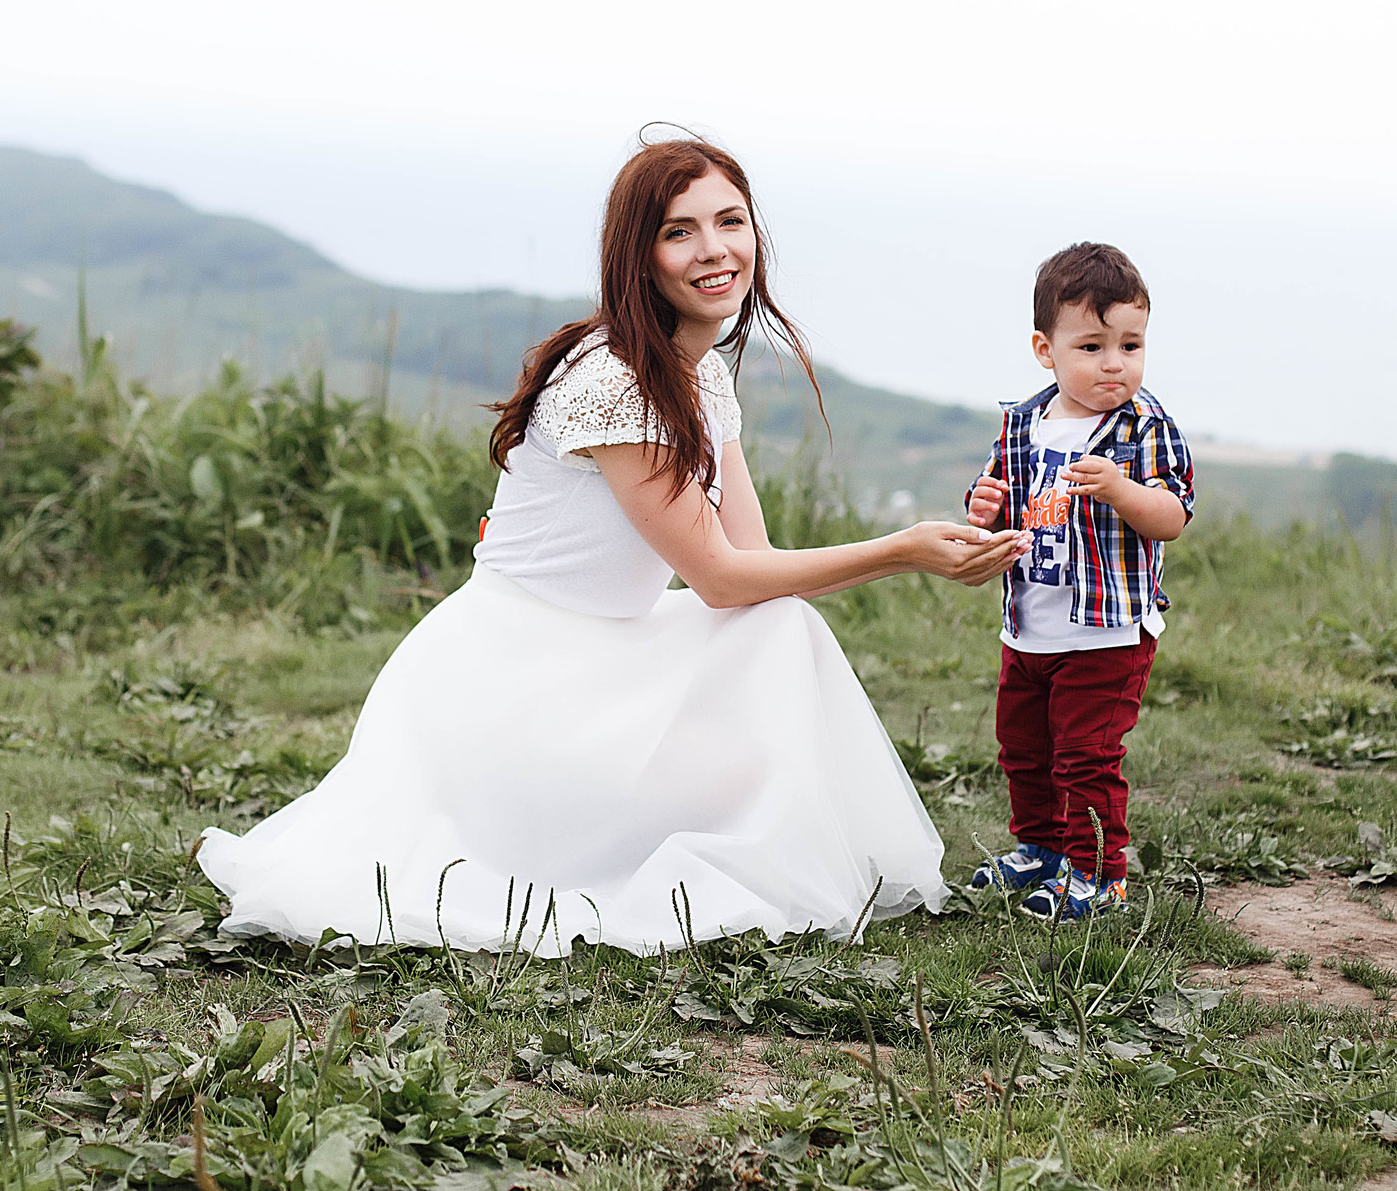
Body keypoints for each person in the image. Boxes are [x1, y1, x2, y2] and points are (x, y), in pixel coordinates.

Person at [198, 137, 1024, 953]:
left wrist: (911, 545)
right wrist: (904, 548)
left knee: (782, 630)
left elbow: (756, 562)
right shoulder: (618, 381)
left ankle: (692, 826)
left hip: (601, 659)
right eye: (679, 231)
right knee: (768, 629)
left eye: (730, 221)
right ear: (641, 256)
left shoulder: (699, 373)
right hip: (510, 688)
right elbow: (720, 578)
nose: (714, 250)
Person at [963, 243, 1195, 921]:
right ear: (1047, 349)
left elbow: (1173, 516)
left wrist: (1123, 489)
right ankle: (1040, 847)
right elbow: (1003, 499)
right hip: (1031, 624)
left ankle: (1100, 874)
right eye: (1092, 346)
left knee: (1086, 756)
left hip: (1106, 630)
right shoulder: (1023, 421)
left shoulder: (1144, 427)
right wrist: (982, 506)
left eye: (1131, 343)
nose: (1114, 363)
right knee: (1025, 749)